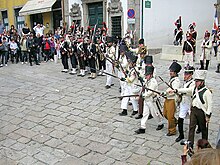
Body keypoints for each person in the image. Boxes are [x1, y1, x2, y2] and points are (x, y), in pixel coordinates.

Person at [135, 66, 164, 134]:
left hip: (152, 100)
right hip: (146, 100)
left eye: (147, 75)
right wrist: (141, 79)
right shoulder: (147, 79)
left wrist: (143, 95)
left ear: (151, 75)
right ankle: (142, 127)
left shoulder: (153, 82)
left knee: (154, 114)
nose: (146, 76)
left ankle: (160, 123)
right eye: (146, 75)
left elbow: (150, 92)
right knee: (145, 114)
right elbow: (144, 82)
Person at [175, 66, 195, 142]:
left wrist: (178, 90)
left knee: (193, 120)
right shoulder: (185, 82)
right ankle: (181, 135)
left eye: (187, 74)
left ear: (190, 75)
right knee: (180, 119)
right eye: (185, 74)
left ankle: (197, 130)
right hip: (184, 103)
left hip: (190, 103)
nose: (185, 76)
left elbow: (189, 90)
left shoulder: (193, 83)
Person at [161, 61, 181, 136]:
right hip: (168, 98)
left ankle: (172, 130)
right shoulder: (172, 79)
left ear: (176, 73)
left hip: (172, 100)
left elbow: (173, 90)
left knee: (170, 116)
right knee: (165, 114)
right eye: (170, 71)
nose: (170, 72)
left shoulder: (176, 81)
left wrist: (165, 93)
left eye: (172, 71)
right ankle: (175, 121)